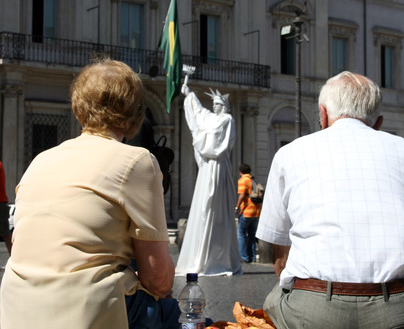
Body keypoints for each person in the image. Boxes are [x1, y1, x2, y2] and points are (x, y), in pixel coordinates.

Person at [256, 71, 404, 328]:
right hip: (403, 306)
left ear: (323, 115)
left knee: (275, 299)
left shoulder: (289, 154)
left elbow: (279, 255)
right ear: (378, 122)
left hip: (315, 309)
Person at [0, 59, 180, 329]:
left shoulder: (40, 160)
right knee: (170, 309)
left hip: (17, 308)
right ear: (135, 110)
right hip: (85, 310)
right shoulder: (136, 160)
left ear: (78, 106)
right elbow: (158, 279)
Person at [176, 85, 241, 276]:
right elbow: (199, 112)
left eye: (218, 104)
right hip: (207, 167)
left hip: (218, 165)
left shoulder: (227, 120)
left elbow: (219, 144)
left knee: (215, 207)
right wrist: (189, 94)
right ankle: (200, 257)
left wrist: (203, 142)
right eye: (213, 103)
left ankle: (218, 259)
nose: (215, 107)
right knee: (204, 206)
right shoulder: (211, 119)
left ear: (225, 106)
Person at [236, 163, 261, 263]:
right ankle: (253, 257)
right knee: (252, 235)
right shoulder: (253, 180)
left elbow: (242, 195)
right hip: (256, 211)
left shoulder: (243, 180)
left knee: (241, 234)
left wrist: (237, 207)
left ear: (240, 171)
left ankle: (244, 257)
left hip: (246, 211)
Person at [0, 160, 12, 255]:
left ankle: (15, 258)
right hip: (2, 203)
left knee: (5, 234)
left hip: (0, 202)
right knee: (6, 234)